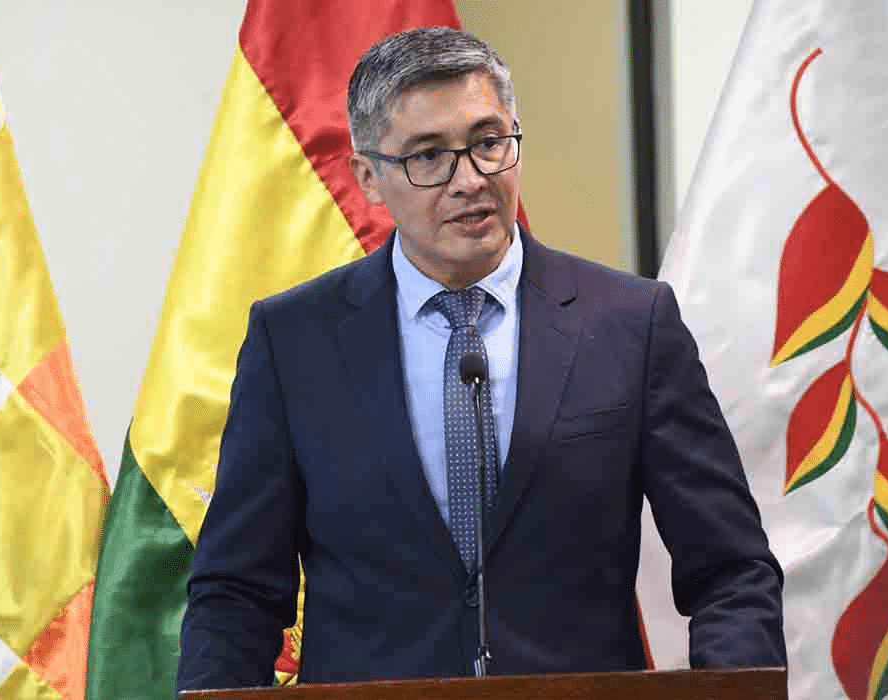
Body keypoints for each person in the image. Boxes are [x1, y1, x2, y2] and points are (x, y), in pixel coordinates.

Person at [178, 26, 785, 690]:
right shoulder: (294, 341)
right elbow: (236, 594)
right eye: (428, 156)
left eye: (488, 143)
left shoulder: (631, 325)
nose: (469, 180)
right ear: (368, 178)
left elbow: (731, 569)